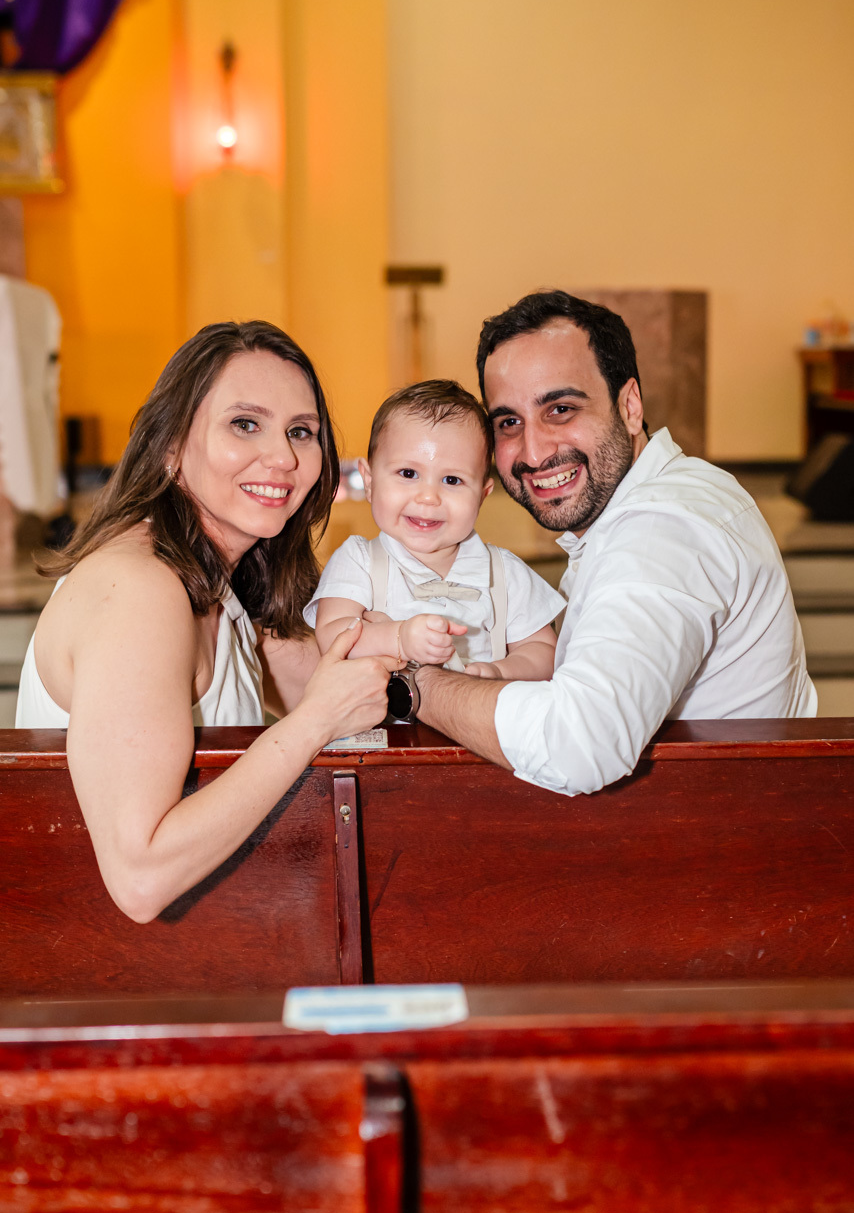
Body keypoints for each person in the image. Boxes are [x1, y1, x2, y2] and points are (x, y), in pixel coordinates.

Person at [15, 320, 396, 921]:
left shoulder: (224, 586)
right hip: (104, 986)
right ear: (170, 448)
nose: (284, 456)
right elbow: (140, 878)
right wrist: (318, 720)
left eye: (302, 431)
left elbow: (347, 683)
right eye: (245, 424)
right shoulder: (139, 592)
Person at [410, 291, 817, 796]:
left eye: (560, 408)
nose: (533, 452)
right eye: (509, 422)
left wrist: (415, 685)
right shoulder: (658, 501)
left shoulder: (665, 527)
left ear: (629, 406)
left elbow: (578, 745)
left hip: (728, 848)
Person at [306, 380, 564, 679]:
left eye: (452, 480)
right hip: (378, 724)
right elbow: (332, 635)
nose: (428, 497)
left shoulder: (504, 573)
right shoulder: (359, 561)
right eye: (408, 473)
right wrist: (400, 638)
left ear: (481, 495)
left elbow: (544, 651)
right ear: (370, 481)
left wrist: (498, 672)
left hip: (476, 720)